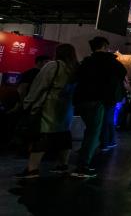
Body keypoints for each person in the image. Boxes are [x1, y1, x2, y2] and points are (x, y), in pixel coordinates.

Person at [14, 45, 79, 179]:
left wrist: (28, 103)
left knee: (42, 136)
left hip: (49, 105)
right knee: (63, 135)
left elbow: (39, 86)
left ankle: (32, 169)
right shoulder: (75, 68)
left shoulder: (53, 66)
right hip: (67, 107)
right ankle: (63, 164)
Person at [72, 37, 127, 178]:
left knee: (90, 130)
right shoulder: (110, 62)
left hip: (81, 100)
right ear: (105, 46)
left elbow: (76, 78)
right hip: (98, 101)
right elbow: (122, 73)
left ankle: (82, 159)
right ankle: (82, 166)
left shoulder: (86, 62)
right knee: (93, 133)